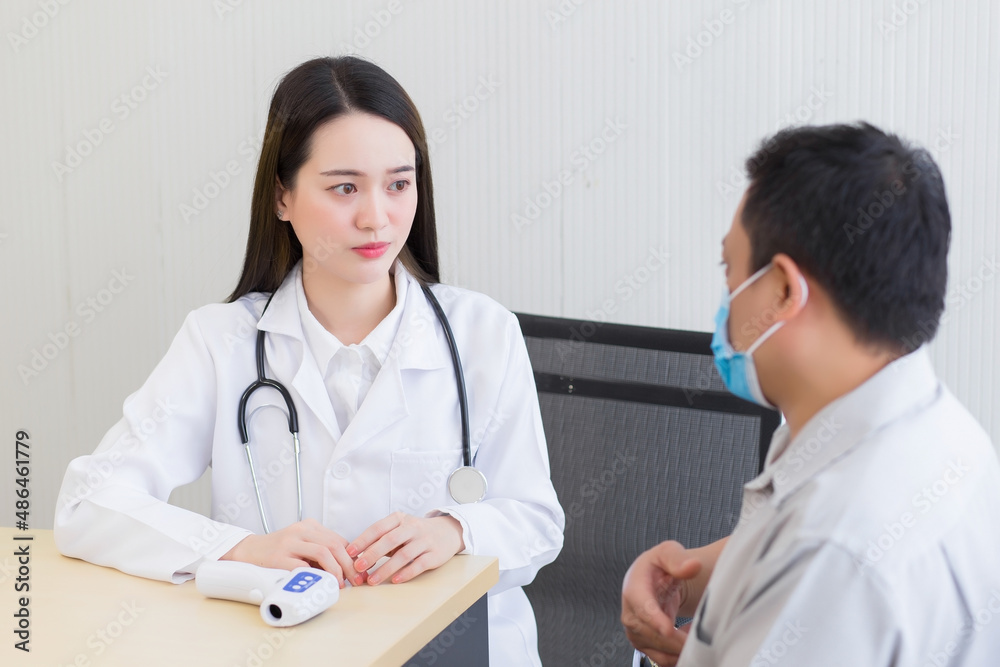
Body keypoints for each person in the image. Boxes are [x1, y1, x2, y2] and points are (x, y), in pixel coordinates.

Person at [54, 56, 564, 666]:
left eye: (399, 183)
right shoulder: (222, 342)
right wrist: (239, 548)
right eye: (344, 187)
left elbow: (537, 521)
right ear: (282, 197)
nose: (377, 216)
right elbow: (88, 504)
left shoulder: (483, 335)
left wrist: (456, 532)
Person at [622, 122, 1000, 666]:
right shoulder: (945, 435)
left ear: (781, 291)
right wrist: (693, 577)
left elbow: (818, 567)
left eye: (729, 269)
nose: (726, 299)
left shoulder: (831, 555)